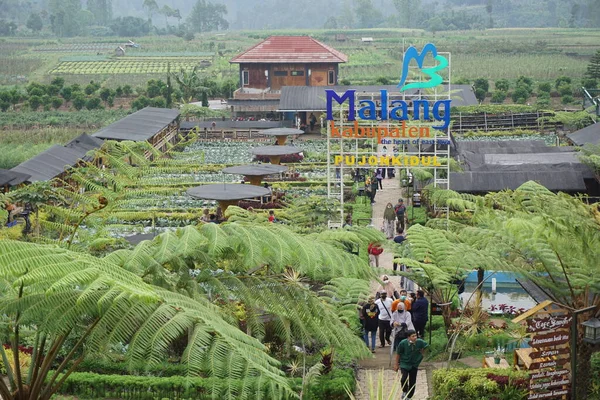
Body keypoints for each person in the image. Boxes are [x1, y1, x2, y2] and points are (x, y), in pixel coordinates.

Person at [394, 330, 428, 400]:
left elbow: (426, 346)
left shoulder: (419, 342)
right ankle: (404, 391)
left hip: (414, 364)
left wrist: (422, 353)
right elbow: (398, 354)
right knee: (403, 379)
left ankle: (409, 397)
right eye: (413, 336)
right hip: (404, 364)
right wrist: (396, 364)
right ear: (408, 337)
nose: (415, 337)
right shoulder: (403, 343)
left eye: (415, 336)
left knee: (412, 381)